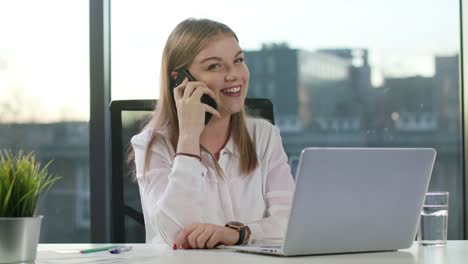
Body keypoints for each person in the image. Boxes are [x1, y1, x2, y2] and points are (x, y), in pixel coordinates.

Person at [131, 18, 294, 250]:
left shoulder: (264, 136)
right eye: (214, 66)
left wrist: (237, 234)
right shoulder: (152, 144)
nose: (234, 75)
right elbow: (176, 234)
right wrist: (188, 138)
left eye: (238, 60)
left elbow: (290, 223)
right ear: (181, 80)